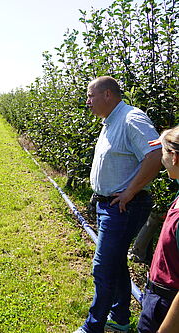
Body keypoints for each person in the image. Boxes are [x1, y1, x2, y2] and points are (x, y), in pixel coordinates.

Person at [74, 76, 162, 333]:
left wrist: (129, 192)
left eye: (91, 96)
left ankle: (93, 326)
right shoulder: (110, 121)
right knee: (115, 262)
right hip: (108, 205)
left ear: (108, 95)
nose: (87, 101)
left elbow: (156, 154)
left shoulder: (131, 118)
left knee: (102, 267)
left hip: (123, 207)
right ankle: (121, 318)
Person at [138, 126, 179, 332]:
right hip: (158, 295)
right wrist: (167, 137)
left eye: (163, 152)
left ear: (174, 158)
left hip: (166, 304)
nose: (160, 160)